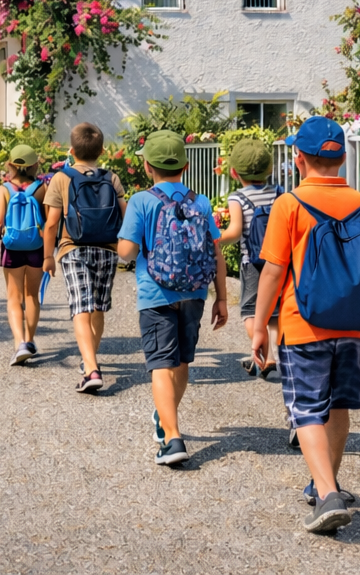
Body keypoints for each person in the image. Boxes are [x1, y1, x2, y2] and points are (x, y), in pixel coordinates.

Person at [251, 116, 360, 533]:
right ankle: (324, 482)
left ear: (299, 159)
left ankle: (326, 493)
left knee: (307, 410)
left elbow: (273, 271)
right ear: (342, 158)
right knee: (339, 407)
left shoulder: (289, 204)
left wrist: (260, 327)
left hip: (303, 323)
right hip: (354, 327)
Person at [117, 130, 228, 467]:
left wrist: (124, 243)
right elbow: (216, 250)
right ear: (186, 165)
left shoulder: (141, 200)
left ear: (147, 166)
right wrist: (221, 298)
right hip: (195, 292)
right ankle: (165, 420)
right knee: (180, 362)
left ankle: (173, 437)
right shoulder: (201, 201)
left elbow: (126, 252)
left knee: (160, 364)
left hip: (156, 294)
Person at [42, 122, 127, 393]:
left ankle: (91, 369)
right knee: (98, 307)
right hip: (107, 250)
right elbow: (125, 215)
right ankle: (90, 360)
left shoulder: (61, 178)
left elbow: (52, 223)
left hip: (73, 248)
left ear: (71, 150)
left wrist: (47, 256)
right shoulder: (111, 177)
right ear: (102, 151)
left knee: (81, 307)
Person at [215, 139, 280, 379]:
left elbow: (234, 232)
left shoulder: (237, 198)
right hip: (278, 261)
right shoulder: (279, 192)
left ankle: (260, 356)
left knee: (251, 312)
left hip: (251, 262)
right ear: (270, 169)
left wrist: (216, 239)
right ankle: (272, 356)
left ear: (234, 172)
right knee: (274, 311)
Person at [0, 145, 48, 366]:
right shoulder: (41, 188)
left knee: (13, 298)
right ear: (34, 165)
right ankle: (29, 341)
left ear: (10, 165)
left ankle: (19, 343)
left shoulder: (4, 190)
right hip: (36, 248)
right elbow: (48, 224)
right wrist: (49, 254)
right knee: (32, 297)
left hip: (12, 249)